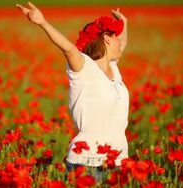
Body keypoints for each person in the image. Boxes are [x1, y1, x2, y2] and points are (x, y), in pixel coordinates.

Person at [16, 2, 129, 181]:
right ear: (107, 39)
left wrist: (125, 23)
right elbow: (68, 48)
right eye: (115, 35)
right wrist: (42, 22)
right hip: (89, 164)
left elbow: (122, 44)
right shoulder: (84, 69)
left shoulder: (114, 69)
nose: (120, 40)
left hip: (117, 162)